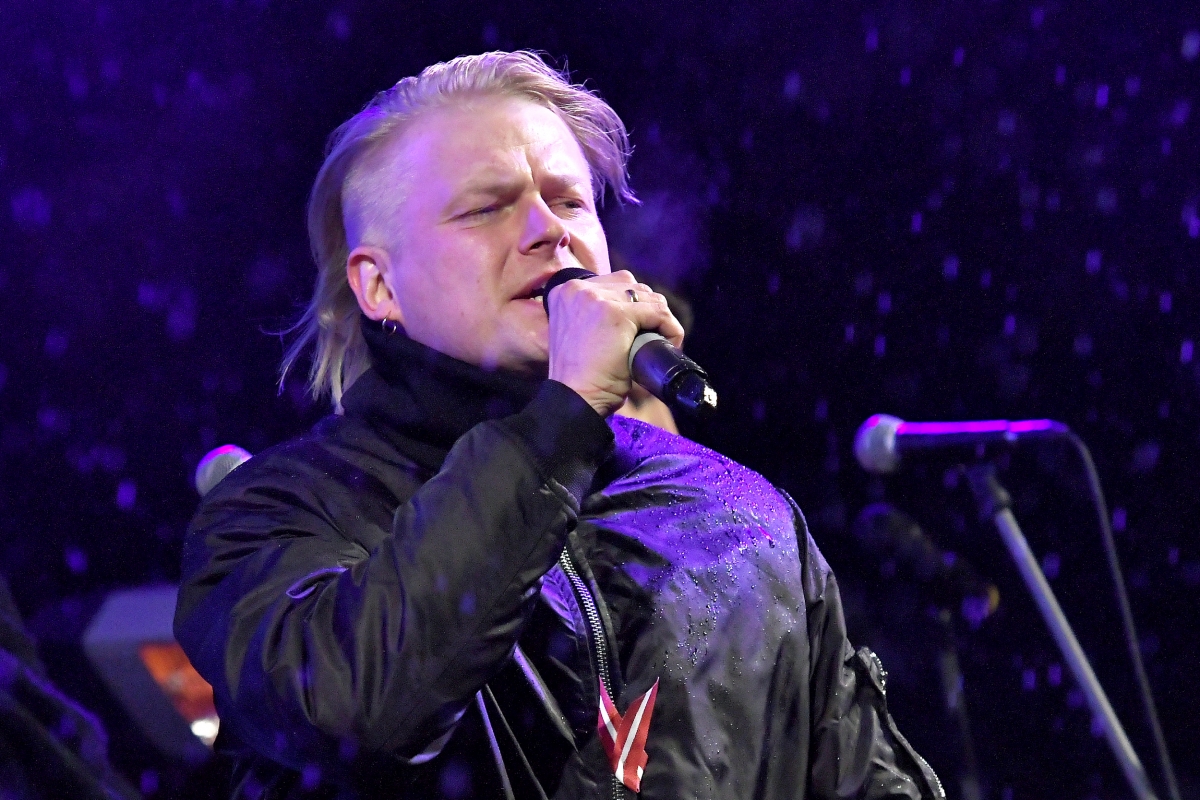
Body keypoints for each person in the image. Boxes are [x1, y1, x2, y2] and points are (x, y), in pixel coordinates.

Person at [174, 51, 945, 800]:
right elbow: (355, 712)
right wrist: (560, 424)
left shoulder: (740, 512)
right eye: (486, 208)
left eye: (570, 201)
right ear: (379, 286)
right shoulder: (278, 514)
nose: (549, 230)